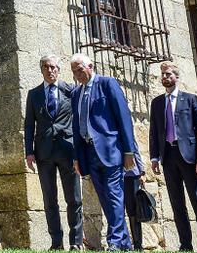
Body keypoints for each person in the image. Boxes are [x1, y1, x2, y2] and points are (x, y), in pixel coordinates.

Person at [69, 52, 136, 251]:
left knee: (114, 194)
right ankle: (124, 243)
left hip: (110, 151)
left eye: (80, 70)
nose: (77, 74)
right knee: (105, 198)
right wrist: (77, 157)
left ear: (90, 66)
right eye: (74, 71)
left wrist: (129, 151)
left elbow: (123, 117)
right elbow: (75, 127)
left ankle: (114, 241)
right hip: (88, 153)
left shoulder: (107, 84)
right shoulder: (75, 94)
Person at [149, 62, 197, 252]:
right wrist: (154, 158)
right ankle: (186, 245)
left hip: (189, 157)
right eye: (163, 74)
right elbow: (154, 131)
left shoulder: (190, 99)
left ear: (176, 77)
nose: (165, 77)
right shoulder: (157, 102)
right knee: (177, 204)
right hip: (168, 156)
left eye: (168, 74)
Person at [24, 55, 81, 250]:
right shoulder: (33, 94)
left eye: (54, 67)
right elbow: (29, 124)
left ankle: (76, 242)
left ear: (59, 69)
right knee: (50, 200)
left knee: (73, 198)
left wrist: (79, 150)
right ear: (41, 70)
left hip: (68, 150)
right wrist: (28, 152)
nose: (50, 71)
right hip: (44, 152)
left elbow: (78, 121)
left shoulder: (70, 91)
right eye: (47, 67)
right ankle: (56, 243)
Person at [122, 146, 148, 251]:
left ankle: (138, 244)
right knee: (118, 211)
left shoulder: (126, 130)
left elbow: (134, 148)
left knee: (133, 211)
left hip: (131, 174)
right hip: (114, 174)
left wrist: (142, 172)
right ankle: (123, 243)